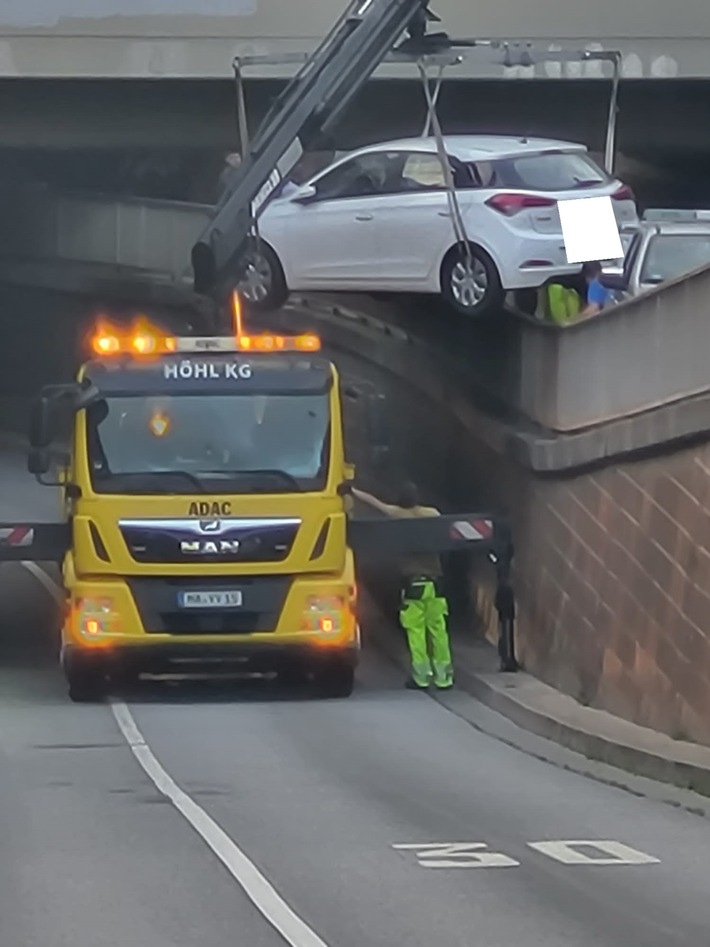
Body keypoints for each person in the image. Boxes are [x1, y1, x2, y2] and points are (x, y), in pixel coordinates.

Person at [352, 481, 454, 690]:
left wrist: (351, 490)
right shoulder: (432, 514)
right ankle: (444, 678)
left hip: (414, 584)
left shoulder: (398, 515)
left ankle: (421, 677)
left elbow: (374, 503)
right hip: (435, 584)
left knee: (416, 631)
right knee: (438, 630)